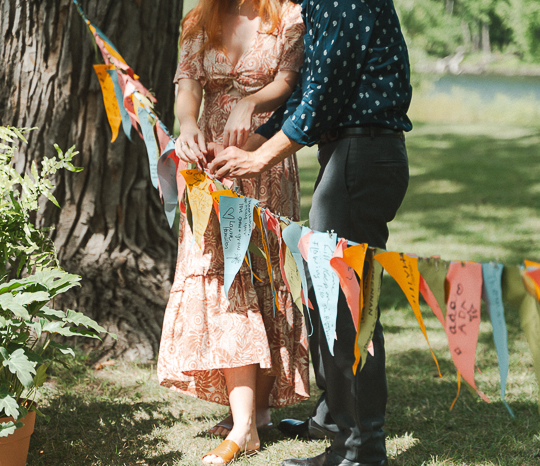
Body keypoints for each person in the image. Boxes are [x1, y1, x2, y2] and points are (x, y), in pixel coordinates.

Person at [208, 0, 412, 464]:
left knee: (346, 307)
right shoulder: (319, 5)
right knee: (327, 296)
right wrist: (239, 151)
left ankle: (359, 450)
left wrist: (259, 160)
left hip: (361, 155)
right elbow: (307, 95)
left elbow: (324, 98)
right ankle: (332, 417)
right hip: (347, 154)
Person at [156, 1, 310, 464]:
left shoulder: (289, 16)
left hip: (265, 158)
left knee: (264, 279)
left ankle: (255, 415)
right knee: (222, 281)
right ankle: (243, 420)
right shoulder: (201, 17)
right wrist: (186, 126)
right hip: (209, 165)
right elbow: (187, 83)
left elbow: (290, 82)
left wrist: (252, 101)